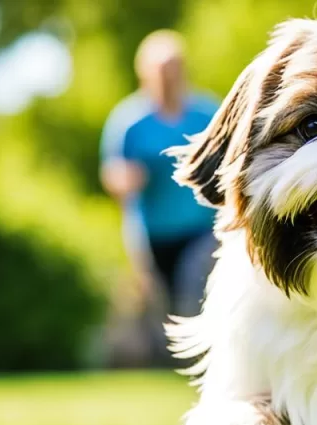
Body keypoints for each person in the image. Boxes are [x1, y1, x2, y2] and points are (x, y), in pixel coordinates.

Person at [100, 30, 219, 364]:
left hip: (202, 228)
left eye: (173, 67)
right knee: (162, 304)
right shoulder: (129, 122)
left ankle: (211, 359)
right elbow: (112, 175)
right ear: (145, 73)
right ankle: (175, 363)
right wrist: (124, 180)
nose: (167, 77)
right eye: (159, 69)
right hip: (152, 233)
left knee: (193, 285)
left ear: (183, 70)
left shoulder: (207, 114)